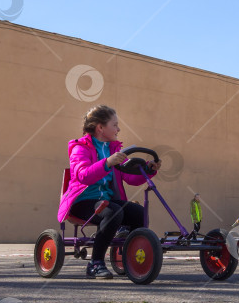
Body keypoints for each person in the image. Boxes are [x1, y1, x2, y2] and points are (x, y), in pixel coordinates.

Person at [57, 105, 162, 279]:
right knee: (113, 212)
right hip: (82, 202)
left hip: (105, 201)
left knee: (138, 213)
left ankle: (130, 258)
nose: (118, 129)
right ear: (100, 127)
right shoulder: (80, 148)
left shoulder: (114, 150)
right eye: (115, 125)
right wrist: (107, 163)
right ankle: (95, 263)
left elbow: (130, 178)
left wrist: (149, 170)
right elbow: (82, 176)